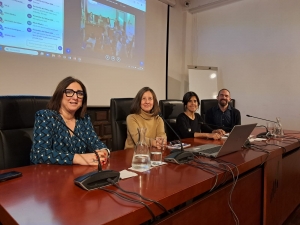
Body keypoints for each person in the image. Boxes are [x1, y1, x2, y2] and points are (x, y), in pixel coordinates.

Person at [30, 76, 110, 166]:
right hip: (50, 175)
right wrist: (78, 158)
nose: (75, 97)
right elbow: (38, 154)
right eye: (69, 92)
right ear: (60, 95)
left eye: (80, 93)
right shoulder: (46, 116)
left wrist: (103, 152)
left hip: (78, 174)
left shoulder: (84, 119)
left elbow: (95, 143)